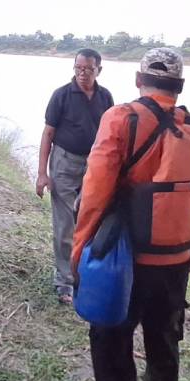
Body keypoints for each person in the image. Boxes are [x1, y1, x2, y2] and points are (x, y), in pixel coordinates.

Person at [72, 48, 190, 381]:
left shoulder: (121, 119)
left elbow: (95, 192)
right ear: (180, 86)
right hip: (175, 264)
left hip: (127, 264)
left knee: (112, 344)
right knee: (164, 344)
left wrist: (80, 250)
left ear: (138, 81)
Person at [37, 48, 114, 304]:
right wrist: (41, 174)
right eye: (78, 68)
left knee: (90, 223)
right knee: (64, 226)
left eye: (88, 69)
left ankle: (83, 274)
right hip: (64, 164)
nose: (82, 73)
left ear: (98, 70)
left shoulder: (105, 97)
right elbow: (48, 134)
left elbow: (110, 136)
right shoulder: (61, 95)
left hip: (93, 167)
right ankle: (64, 282)